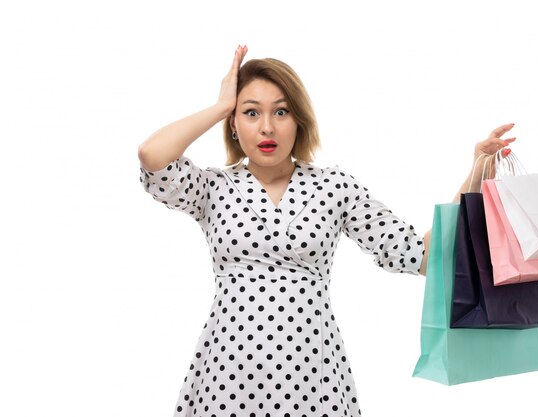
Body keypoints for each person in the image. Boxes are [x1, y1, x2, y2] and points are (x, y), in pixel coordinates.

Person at [138, 45, 515, 417]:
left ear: (298, 120)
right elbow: (152, 156)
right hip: (229, 375)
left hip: (310, 375)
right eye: (251, 113)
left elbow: (422, 256)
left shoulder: (333, 186)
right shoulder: (213, 188)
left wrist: (476, 172)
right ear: (234, 125)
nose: (267, 126)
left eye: (281, 112)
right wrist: (221, 105)